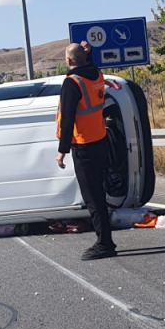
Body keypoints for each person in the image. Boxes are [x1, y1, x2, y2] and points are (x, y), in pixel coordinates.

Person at [55, 43, 116, 260]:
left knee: (93, 198)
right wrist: (88, 53)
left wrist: (62, 151)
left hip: (84, 147)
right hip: (100, 142)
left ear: (69, 61)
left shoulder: (72, 83)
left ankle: (105, 243)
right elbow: (89, 64)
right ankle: (106, 239)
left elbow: (68, 119)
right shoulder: (96, 75)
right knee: (99, 194)